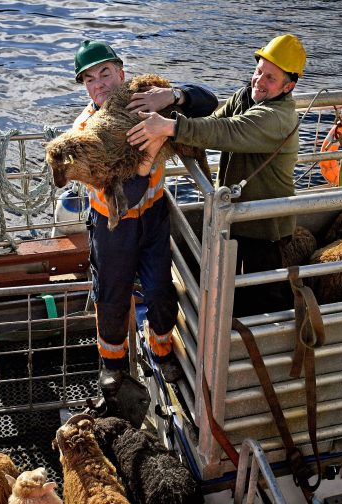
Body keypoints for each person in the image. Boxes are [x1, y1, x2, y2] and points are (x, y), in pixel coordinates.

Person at [71, 40, 218, 387]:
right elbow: (126, 194)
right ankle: (113, 365)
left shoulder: (146, 100)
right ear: (85, 87)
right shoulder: (85, 134)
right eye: (90, 79)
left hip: (153, 219)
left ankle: (162, 353)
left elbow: (209, 103)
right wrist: (151, 151)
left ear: (122, 73)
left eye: (105, 73)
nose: (100, 84)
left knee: (160, 291)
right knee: (112, 295)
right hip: (113, 228)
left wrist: (172, 97)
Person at [127, 34, 306, 316]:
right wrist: (174, 97)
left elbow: (226, 132)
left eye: (271, 78)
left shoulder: (277, 118)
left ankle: (268, 351)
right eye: (259, 71)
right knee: (230, 293)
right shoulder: (247, 96)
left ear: (289, 85)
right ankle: (231, 337)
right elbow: (213, 121)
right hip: (234, 216)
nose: (259, 80)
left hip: (265, 226)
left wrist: (170, 127)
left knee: (265, 298)